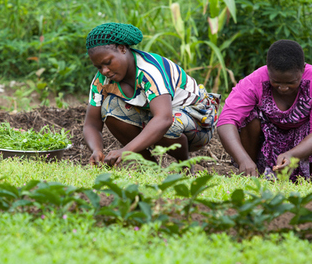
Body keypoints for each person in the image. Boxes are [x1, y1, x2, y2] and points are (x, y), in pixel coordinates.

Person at [83, 22, 220, 166]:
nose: (105, 71)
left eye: (108, 62)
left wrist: (126, 150)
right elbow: (91, 125)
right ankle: (150, 167)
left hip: (198, 124)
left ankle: (184, 165)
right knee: (109, 107)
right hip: (157, 120)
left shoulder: (150, 69)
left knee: (169, 121)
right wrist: (96, 150)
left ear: (122, 48)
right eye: (99, 67)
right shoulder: (102, 80)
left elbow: (164, 119)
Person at [217, 39, 312, 179]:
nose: (283, 87)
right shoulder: (255, 81)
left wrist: (292, 155)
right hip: (268, 141)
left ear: (303, 70)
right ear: (268, 70)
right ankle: (252, 171)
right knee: (249, 117)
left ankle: (311, 175)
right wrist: (243, 159)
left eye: (291, 82)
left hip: (305, 141)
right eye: (276, 81)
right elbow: (226, 121)